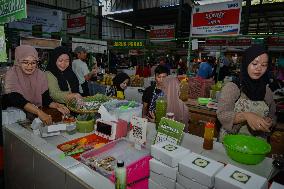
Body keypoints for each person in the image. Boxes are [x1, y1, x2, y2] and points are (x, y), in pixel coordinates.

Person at [217, 44, 276, 141]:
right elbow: (222, 114)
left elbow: (273, 116)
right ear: (246, 63)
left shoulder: (267, 91)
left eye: (264, 65)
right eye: (254, 63)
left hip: (256, 145)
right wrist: (245, 116)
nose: (259, 68)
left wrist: (269, 121)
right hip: (230, 142)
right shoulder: (233, 88)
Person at [3, 45, 69, 125]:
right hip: (12, 117)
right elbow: (16, 98)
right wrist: (38, 112)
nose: (30, 66)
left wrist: (56, 105)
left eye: (33, 62)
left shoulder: (40, 75)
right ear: (18, 61)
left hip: (31, 116)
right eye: (25, 62)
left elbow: (45, 98)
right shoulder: (12, 74)